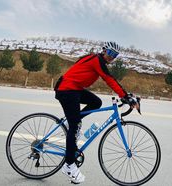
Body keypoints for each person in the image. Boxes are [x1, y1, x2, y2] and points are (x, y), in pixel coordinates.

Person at [54, 41, 137, 184]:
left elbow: (109, 78)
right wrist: (124, 96)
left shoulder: (96, 60)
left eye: (115, 55)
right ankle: (69, 165)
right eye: (110, 53)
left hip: (75, 88)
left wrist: (126, 95)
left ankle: (71, 119)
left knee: (96, 102)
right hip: (67, 90)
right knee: (74, 127)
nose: (112, 57)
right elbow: (109, 78)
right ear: (104, 51)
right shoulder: (96, 60)